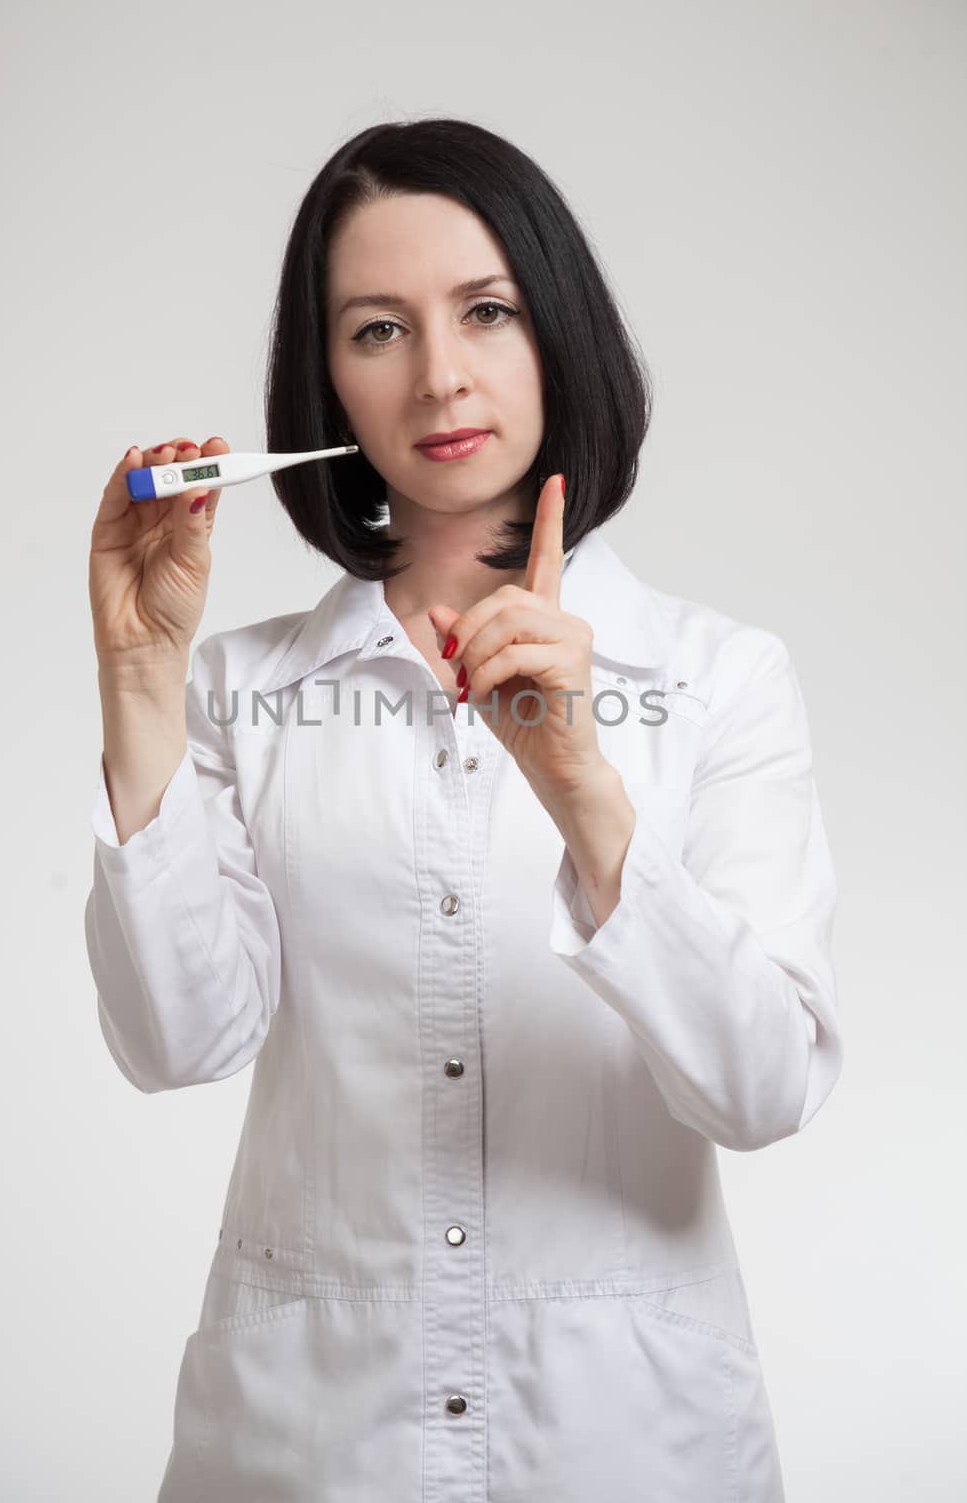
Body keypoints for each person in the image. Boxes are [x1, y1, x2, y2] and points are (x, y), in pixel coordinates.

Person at [84, 118, 843, 1502]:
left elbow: (765, 1086)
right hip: (308, 1448)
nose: (440, 375)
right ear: (325, 380)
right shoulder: (247, 692)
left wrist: (582, 794)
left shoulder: (721, 679)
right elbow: (175, 1043)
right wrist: (142, 680)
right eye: (377, 330)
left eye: (485, 311)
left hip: (628, 1446)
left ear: (558, 329)